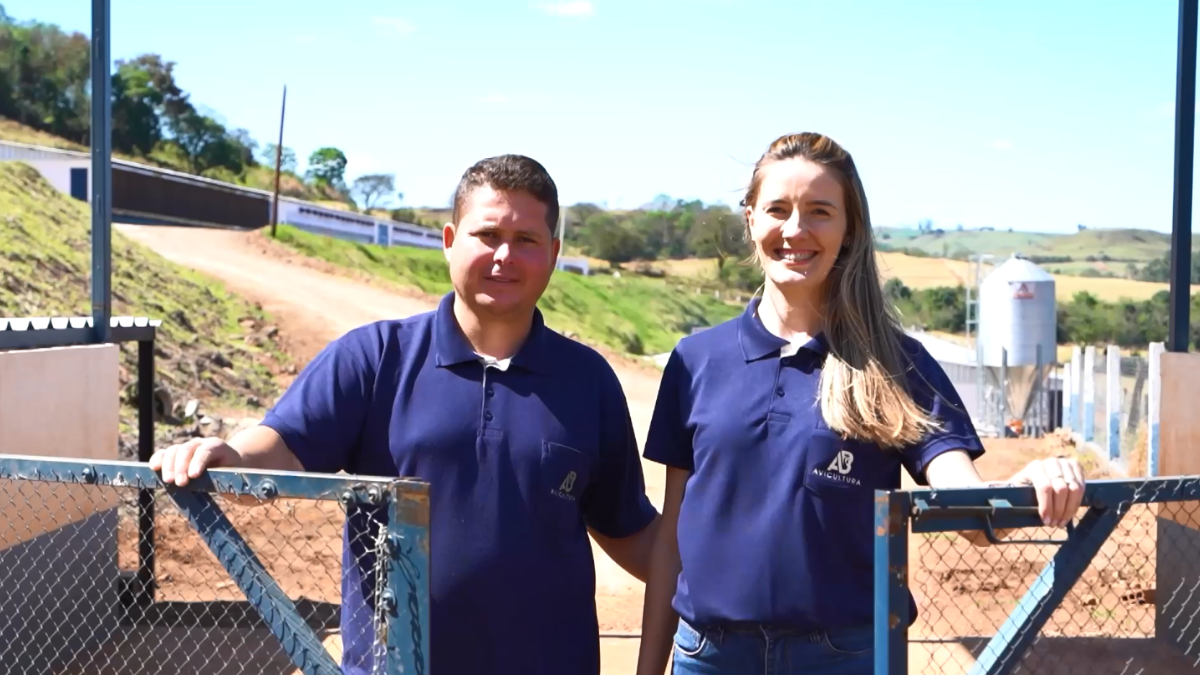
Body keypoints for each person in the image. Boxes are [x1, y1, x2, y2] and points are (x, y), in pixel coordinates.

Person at [150, 154, 662, 675]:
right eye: (486, 235)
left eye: (526, 240)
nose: (504, 255)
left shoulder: (588, 380)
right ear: (448, 240)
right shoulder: (374, 358)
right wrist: (229, 452)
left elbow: (630, 531)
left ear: (553, 253)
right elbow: (284, 444)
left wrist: (727, 560)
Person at [634, 132, 1087, 675]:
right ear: (750, 219)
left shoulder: (894, 363)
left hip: (843, 658)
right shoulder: (695, 360)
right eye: (778, 209)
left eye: (820, 212)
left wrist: (1031, 482)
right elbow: (671, 539)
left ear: (849, 231)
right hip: (707, 658)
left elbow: (964, 506)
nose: (796, 230)